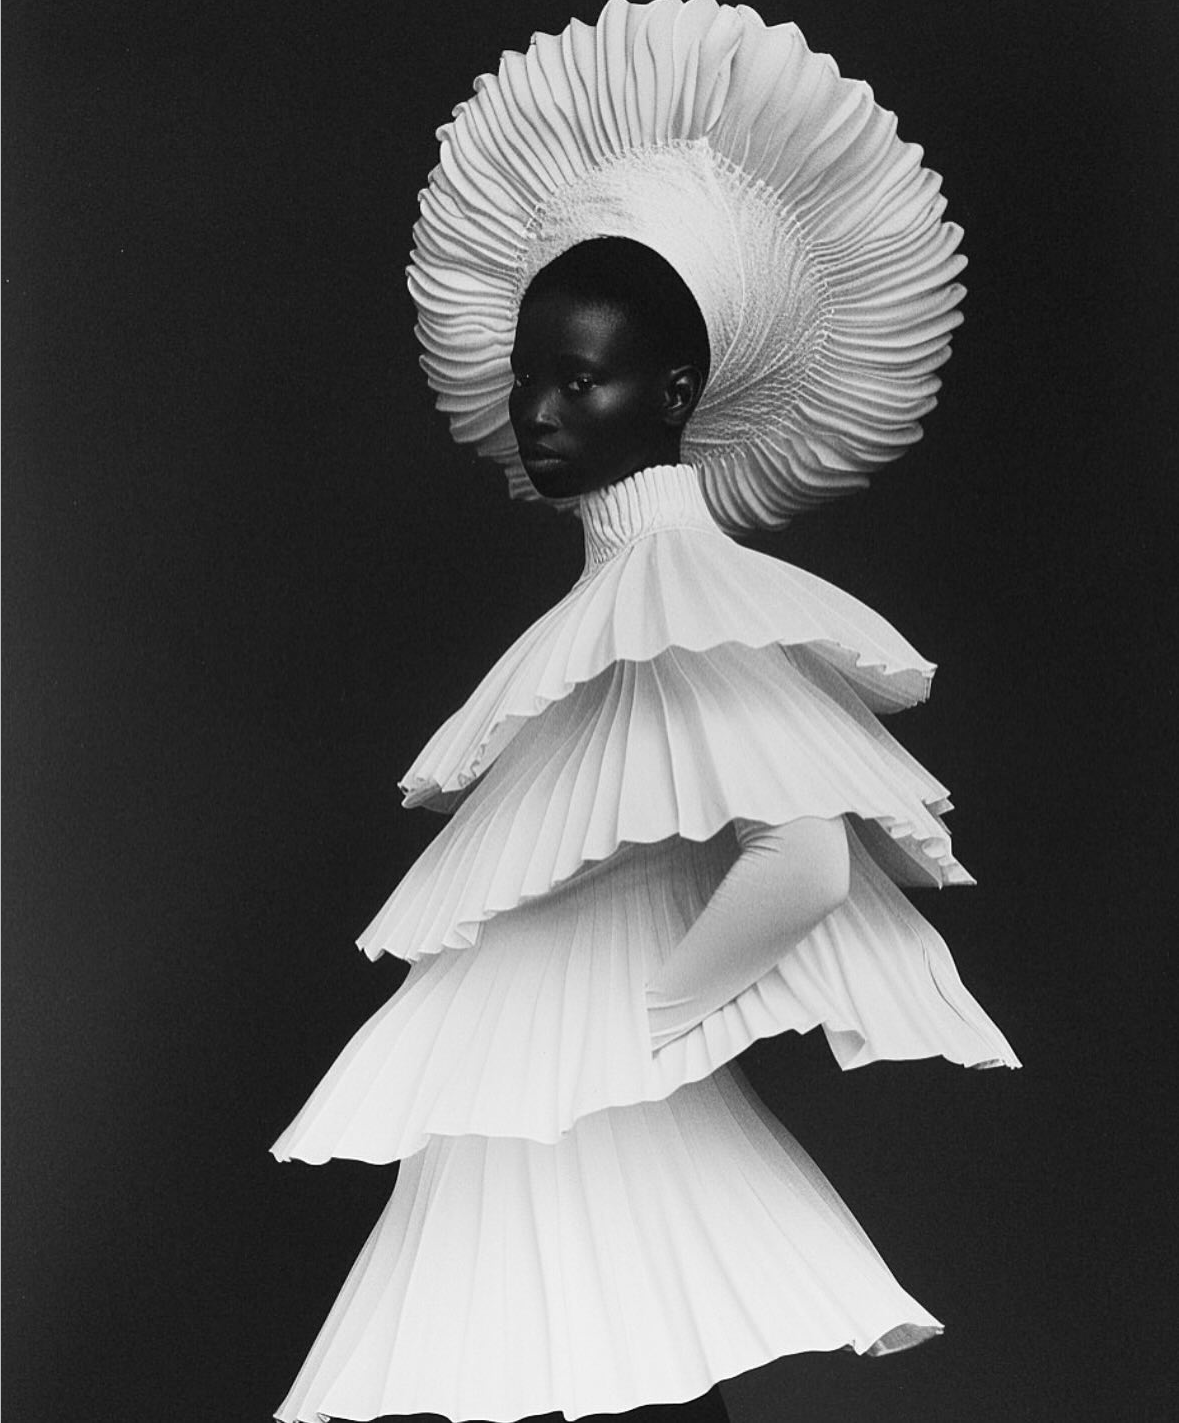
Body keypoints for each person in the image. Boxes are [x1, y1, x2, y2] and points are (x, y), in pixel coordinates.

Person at [271, 5, 1019, 1420]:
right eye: (527, 376)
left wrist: (646, 1020)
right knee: (585, 1365)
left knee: (619, 1364)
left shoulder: (682, 593)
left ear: (672, 393)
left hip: (596, 1086)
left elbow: (798, 860)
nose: (538, 412)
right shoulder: (611, 605)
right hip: (550, 1087)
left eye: (580, 378)